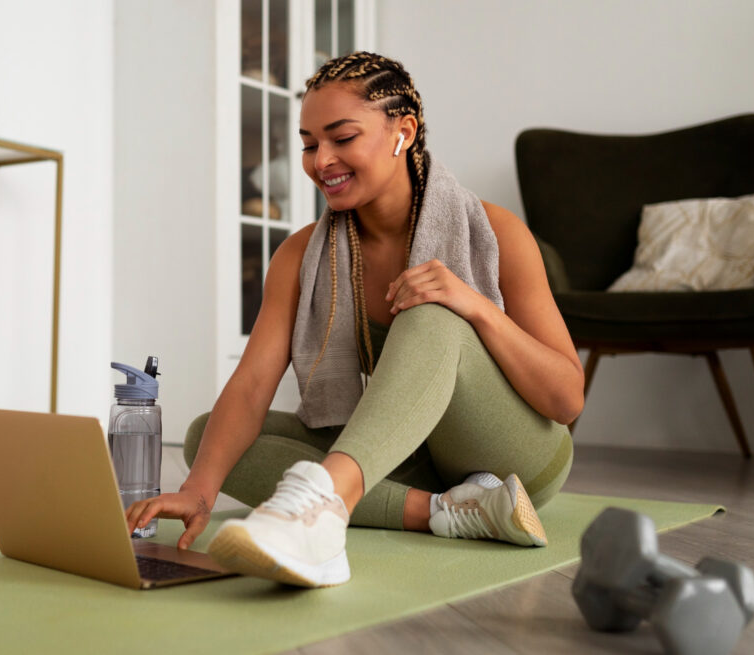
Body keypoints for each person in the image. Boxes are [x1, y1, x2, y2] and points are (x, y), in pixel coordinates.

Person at [125, 51, 583, 588]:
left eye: (342, 139)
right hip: (414, 458)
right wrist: (200, 492)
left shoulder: (497, 231)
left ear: (403, 132)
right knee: (209, 438)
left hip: (513, 457)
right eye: (309, 143)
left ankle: (322, 511)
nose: (322, 161)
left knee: (430, 313)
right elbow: (251, 386)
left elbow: (566, 399)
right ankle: (446, 510)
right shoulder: (301, 257)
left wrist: (472, 304)